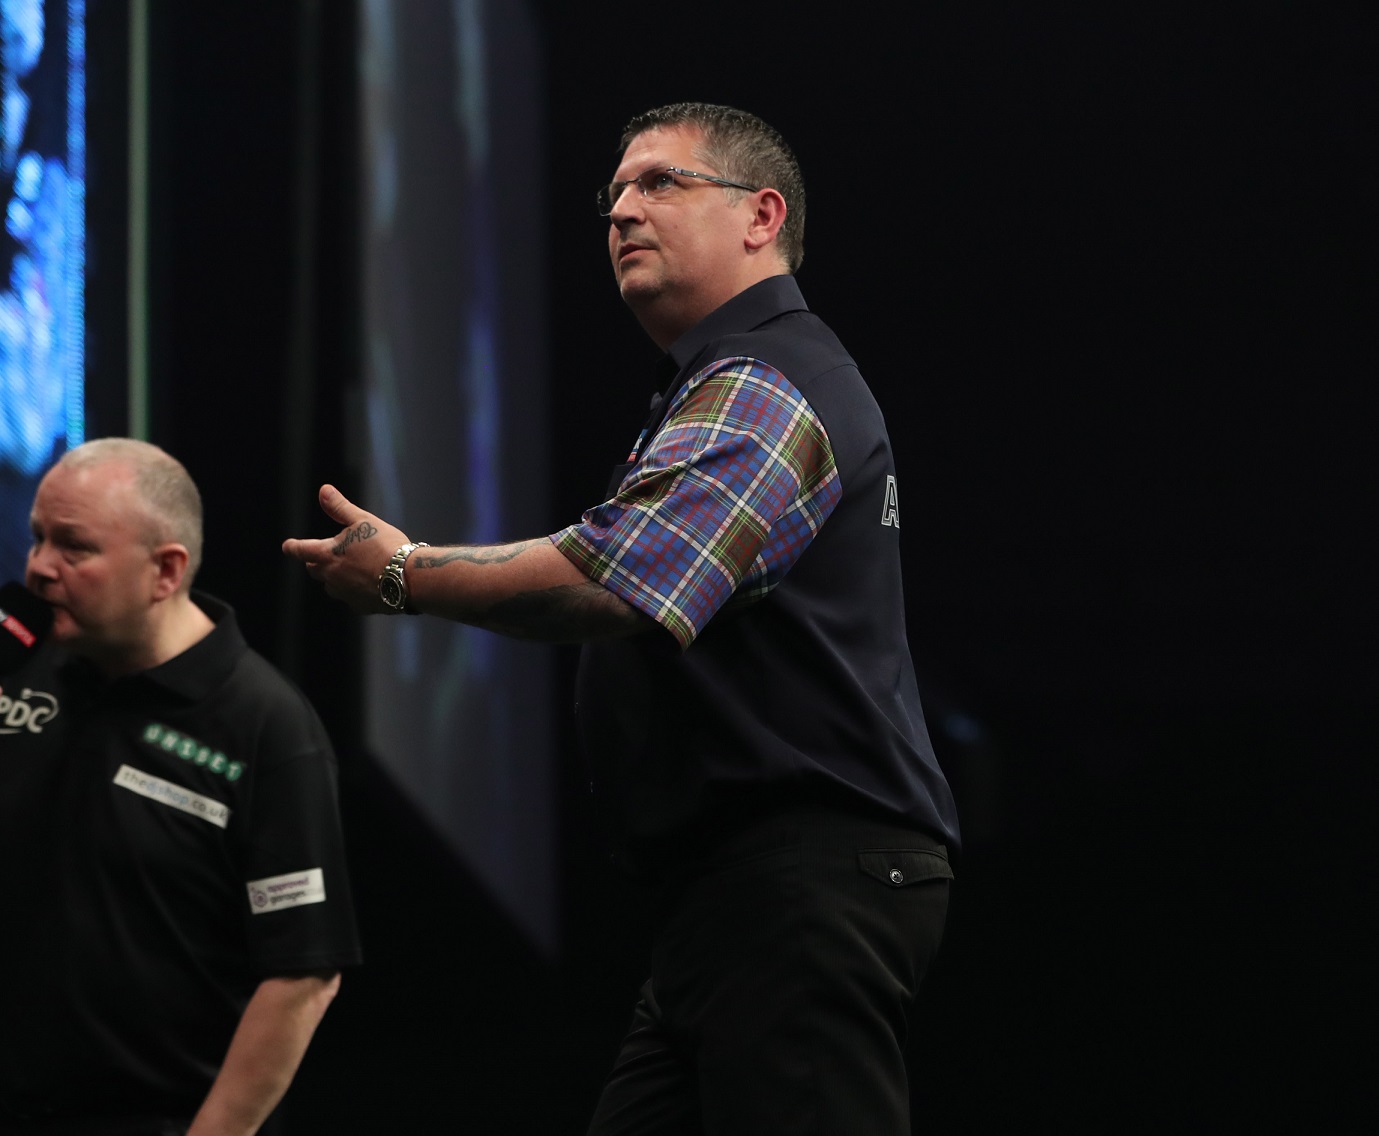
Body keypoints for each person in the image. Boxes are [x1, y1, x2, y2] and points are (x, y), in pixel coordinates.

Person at [283, 102, 959, 1135]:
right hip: (737, 894)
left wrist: (405, 575)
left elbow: (620, 582)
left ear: (761, 216)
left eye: (660, 183)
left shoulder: (768, 380)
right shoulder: (724, 380)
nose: (620, 211)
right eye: (614, 193)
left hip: (801, 878)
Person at [0, 438, 361, 1136]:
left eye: (73, 548)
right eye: (37, 538)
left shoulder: (265, 727)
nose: (39, 567)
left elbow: (301, 976)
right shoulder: (21, 661)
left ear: (165, 571)